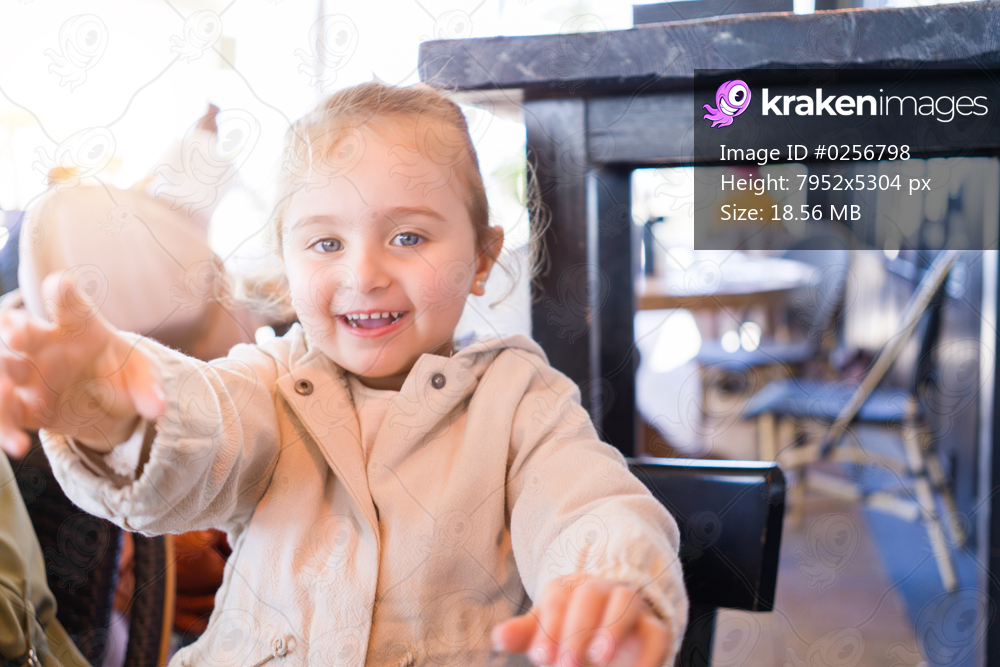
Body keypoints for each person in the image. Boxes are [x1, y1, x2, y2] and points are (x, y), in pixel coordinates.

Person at [0, 82, 688, 667]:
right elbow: (197, 432)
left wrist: (609, 576)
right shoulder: (268, 384)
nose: (364, 273)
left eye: (409, 237)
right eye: (326, 242)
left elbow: (589, 504)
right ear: (285, 263)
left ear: (482, 256)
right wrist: (104, 402)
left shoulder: (520, 403)